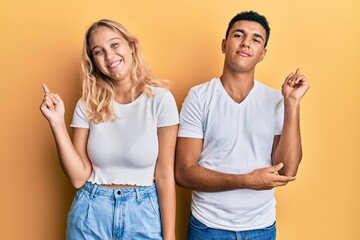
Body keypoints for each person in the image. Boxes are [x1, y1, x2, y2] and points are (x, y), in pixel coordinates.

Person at [175, 11, 309, 239]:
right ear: (224, 44)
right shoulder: (199, 97)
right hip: (208, 227)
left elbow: (287, 170)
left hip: (261, 228)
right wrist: (247, 181)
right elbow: (183, 173)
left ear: (262, 54)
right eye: (239, 35)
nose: (246, 43)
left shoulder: (277, 100)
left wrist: (292, 103)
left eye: (256, 39)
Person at [40, 19, 178, 239]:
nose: (109, 56)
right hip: (91, 211)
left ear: (131, 46)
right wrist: (57, 122)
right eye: (98, 52)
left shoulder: (161, 101)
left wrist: (169, 237)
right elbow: (78, 178)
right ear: (94, 62)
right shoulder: (87, 105)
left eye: (114, 45)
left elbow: (164, 176)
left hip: (143, 213)